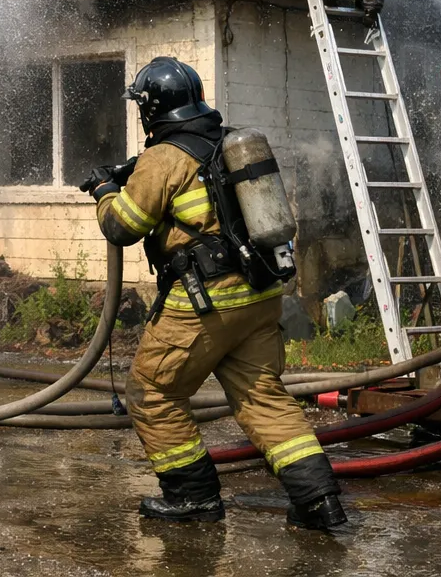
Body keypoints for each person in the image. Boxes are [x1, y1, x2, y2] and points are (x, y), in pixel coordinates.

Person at [83, 56, 345, 529]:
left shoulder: (162, 158)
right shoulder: (229, 142)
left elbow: (122, 227)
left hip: (205, 304)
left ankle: (193, 496)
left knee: (152, 393)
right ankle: (319, 502)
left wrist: (105, 189)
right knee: (262, 396)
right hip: (259, 296)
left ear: (150, 108)